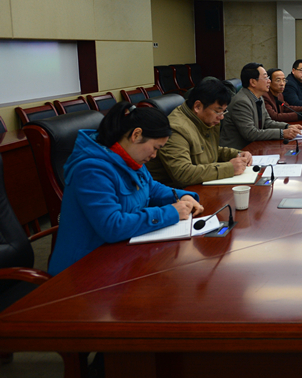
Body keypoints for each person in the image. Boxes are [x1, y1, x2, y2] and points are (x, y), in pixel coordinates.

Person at [49, 102, 202, 276]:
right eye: (155, 148)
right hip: (83, 270)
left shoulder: (130, 156)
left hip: (120, 254)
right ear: (136, 135)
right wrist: (171, 212)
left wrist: (183, 196)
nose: (154, 155)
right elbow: (112, 226)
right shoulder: (91, 170)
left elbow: (150, 187)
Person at [147, 78, 253, 188]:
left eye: (223, 111)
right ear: (198, 106)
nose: (221, 117)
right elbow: (182, 174)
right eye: (218, 111)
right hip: (177, 192)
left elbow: (208, 150)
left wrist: (236, 154)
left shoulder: (204, 119)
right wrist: (229, 168)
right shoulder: (176, 129)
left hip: (199, 186)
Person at [220, 63, 302, 150]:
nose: (269, 81)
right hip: (237, 151)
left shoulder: (259, 97)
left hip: (254, 147)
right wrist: (282, 133)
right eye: (265, 78)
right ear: (253, 82)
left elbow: (267, 122)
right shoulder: (241, 102)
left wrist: (287, 126)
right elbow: (250, 133)